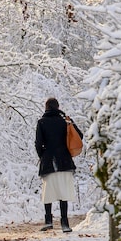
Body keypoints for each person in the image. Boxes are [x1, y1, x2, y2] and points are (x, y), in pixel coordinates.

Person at [35, 97, 78, 233]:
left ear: (46, 107)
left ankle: (48, 221)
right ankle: (65, 223)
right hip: (64, 160)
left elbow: (38, 143)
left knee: (48, 192)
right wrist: (69, 121)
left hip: (48, 160)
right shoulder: (64, 122)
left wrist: (43, 156)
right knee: (63, 192)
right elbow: (79, 136)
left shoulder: (41, 122)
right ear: (58, 107)